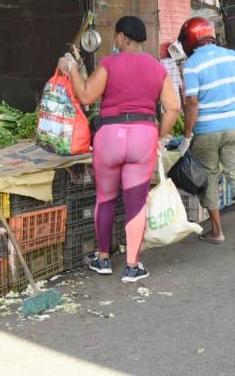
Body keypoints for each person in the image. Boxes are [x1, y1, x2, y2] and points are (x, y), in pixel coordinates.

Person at [58, 16, 180, 282]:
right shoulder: (157, 68)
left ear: (122, 37)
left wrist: (72, 69)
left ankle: (102, 259)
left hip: (109, 137)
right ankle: (132, 266)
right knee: (135, 204)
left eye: (116, 36)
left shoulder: (108, 64)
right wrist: (158, 135)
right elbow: (173, 108)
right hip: (143, 137)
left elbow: (87, 95)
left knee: (106, 198)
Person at [176, 17, 235, 250]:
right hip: (234, 126)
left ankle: (217, 231)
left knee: (210, 179)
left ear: (191, 39)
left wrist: (187, 137)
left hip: (206, 131)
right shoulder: (232, 55)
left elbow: (192, 103)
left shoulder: (192, 65)